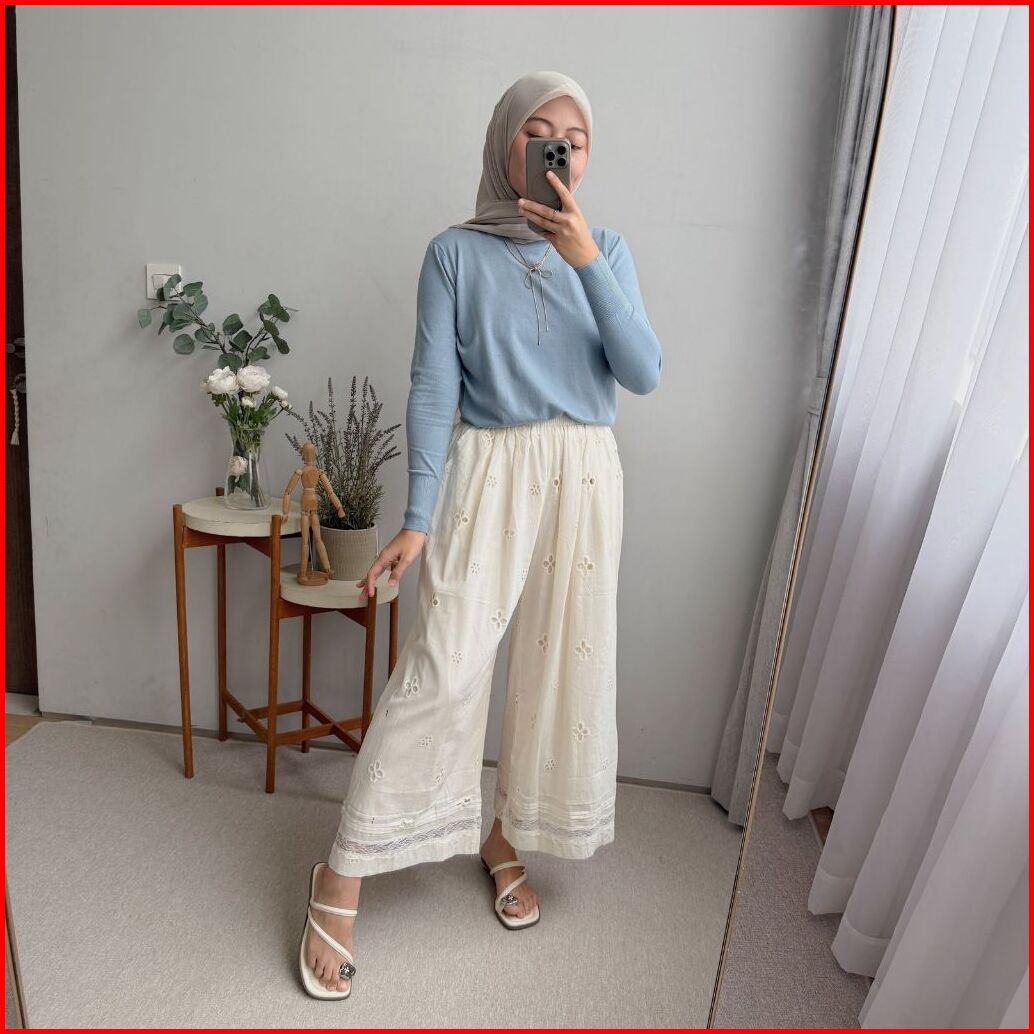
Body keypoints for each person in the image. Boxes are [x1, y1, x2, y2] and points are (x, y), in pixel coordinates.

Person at [299, 70, 662, 999]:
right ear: (506, 142)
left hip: (585, 475)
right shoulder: (453, 253)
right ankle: (339, 874)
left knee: (556, 666)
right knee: (445, 665)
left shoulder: (610, 249)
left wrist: (585, 258)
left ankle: (503, 833)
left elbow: (643, 372)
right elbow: (432, 388)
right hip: (489, 470)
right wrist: (416, 519)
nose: (558, 147)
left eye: (575, 136)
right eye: (537, 130)